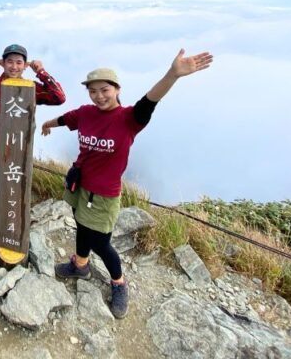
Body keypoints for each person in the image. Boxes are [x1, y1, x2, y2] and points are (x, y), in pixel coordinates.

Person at [40, 48, 213, 319]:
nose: (98, 96)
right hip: (79, 183)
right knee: (81, 226)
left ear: (117, 89)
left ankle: (119, 282)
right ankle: (81, 265)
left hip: (105, 194)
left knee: (101, 242)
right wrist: (48, 124)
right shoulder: (86, 113)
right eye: (93, 91)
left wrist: (173, 74)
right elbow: (66, 119)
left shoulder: (129, 119)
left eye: (104, 90)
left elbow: (150, 100)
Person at [0, 43, 66, 268]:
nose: (14, 66)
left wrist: (41, 72)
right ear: (3, 62)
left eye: (19, 62)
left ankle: (13, 240)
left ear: (25, 65)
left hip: (19, 158)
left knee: (15, 201)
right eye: (9, 61)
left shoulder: (31, 87)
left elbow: (59, 97)